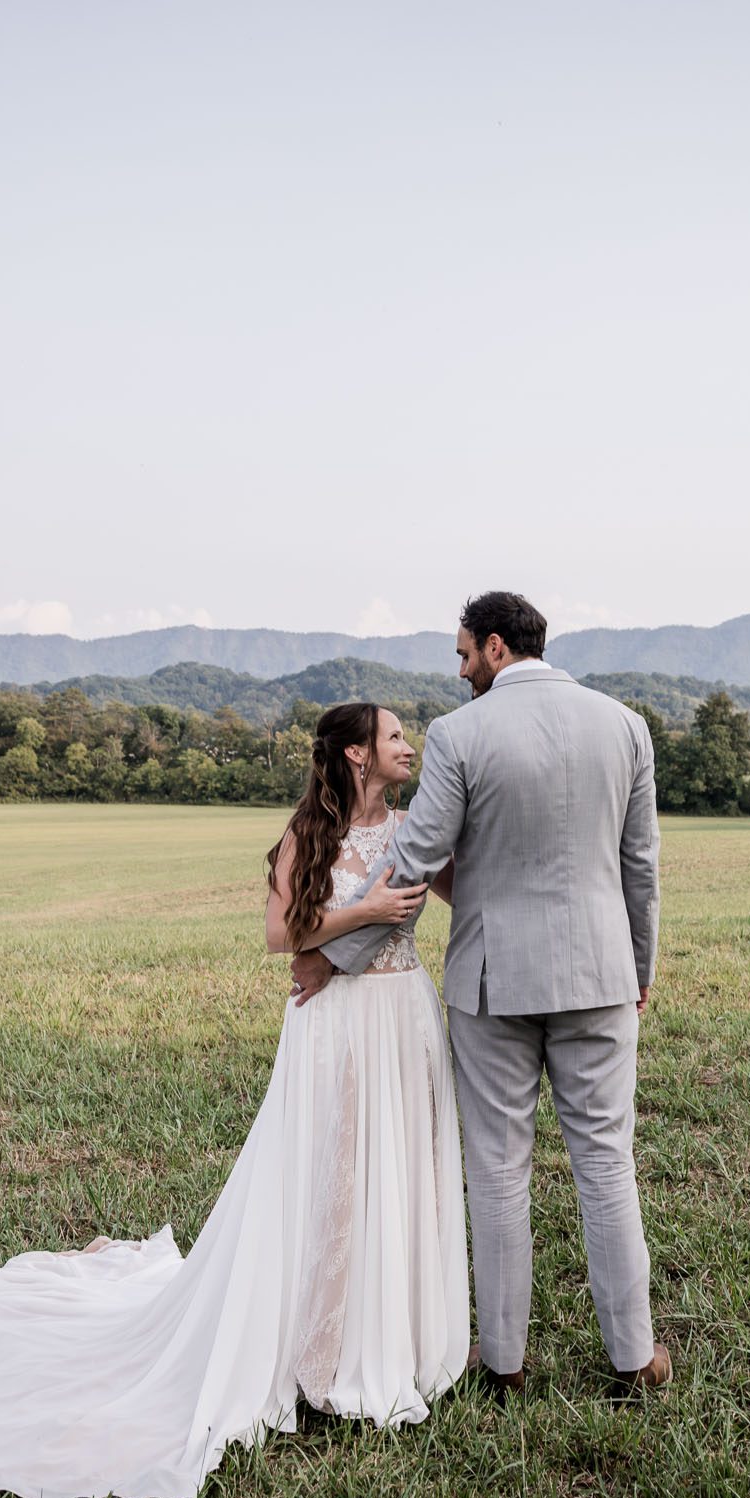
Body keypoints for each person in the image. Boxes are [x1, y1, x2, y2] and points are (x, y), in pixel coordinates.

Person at [0, 703, 466, 1498]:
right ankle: (315, 1342)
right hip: (335, 1030)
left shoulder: (414, 826)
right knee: (325, 1170)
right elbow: (283, 935)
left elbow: (462, 891)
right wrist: (364, 914)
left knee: (394, 1172)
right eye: (393, 737)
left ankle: (387, 1339)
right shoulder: (307, 832)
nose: (407, 745)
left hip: (403, 1014)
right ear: (355, 753)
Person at [292, 590, 668, 1396]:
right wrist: (638, 965)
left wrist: (332, 955)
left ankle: (503, 1364)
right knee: (607, 1163)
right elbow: (641, 862)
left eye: (464, 654)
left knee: (498, 1169)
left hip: (494, 983)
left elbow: (416, 858)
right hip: (601, 977)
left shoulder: (463, 735)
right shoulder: (624, 725)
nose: (461, 670)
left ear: (496, 647)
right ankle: (634, 1360)